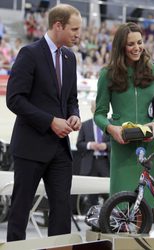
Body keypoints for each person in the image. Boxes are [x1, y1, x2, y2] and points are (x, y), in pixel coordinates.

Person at [6, 4, 82, 241]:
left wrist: (75, 114)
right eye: (74, 29)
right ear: (58, 26)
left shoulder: (70, 58)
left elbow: (71, 98)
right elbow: (14, 99)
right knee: (20, 210)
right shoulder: (29, 54)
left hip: (60, 150)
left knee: (61, 211)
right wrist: (50, 121)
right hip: (30, 147)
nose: (78, 34)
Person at [94, 22, 154, 230]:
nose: (137, 48)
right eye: (130, 44)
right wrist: (111, 129)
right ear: (120, 47)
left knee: (147, 207)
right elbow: (99, 115)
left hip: (150, 145)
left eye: (140, 42)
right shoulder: (107, 74)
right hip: (122, 146)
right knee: (123, 206)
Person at [76, 100, 110, 210]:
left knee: (109, 194)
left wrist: (106, 146)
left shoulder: (111, 125)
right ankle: (93, 223)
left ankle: (108, 221)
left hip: (106, 163)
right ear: (92, 109)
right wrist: (90, 145)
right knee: (91, 196)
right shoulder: (85, 125)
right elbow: (79, 144)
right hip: (91, 163)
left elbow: (117, 143)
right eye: (96, 108)